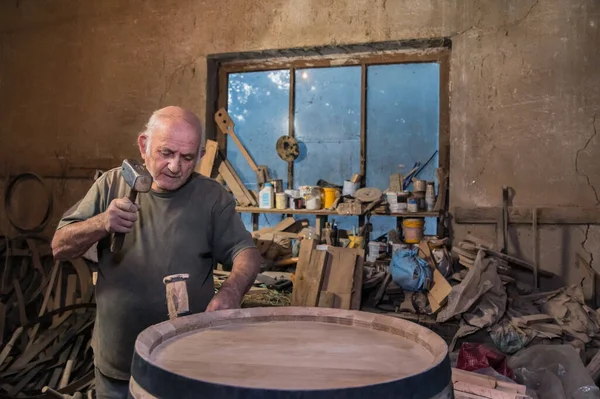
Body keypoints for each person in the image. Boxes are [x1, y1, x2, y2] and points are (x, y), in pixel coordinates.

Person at [51, 106, 261, 399]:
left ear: (200, 156)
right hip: (119, 366)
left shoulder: (212, 198)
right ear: (143, 145)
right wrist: (101, 223)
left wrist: (232, 290)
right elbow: (60, 246)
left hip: (186, 364)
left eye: (187, 158)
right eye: (166, 153)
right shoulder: (112, 185)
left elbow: (246, 252)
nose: (175, 167)